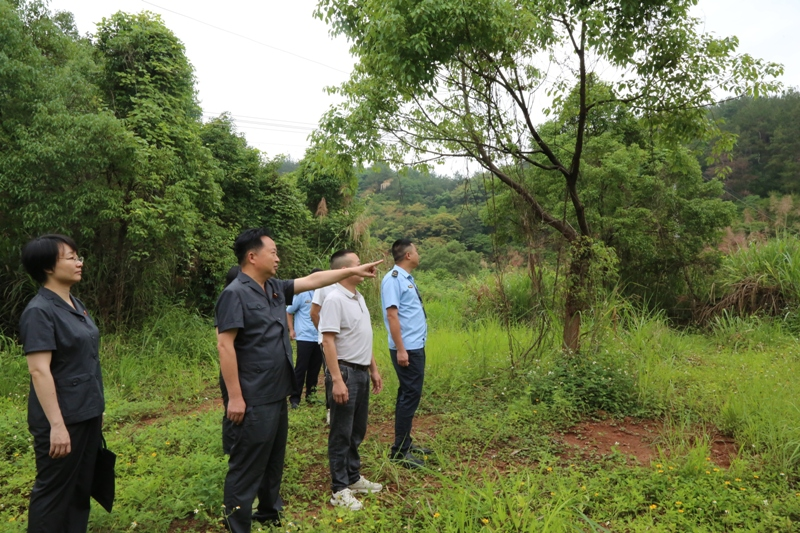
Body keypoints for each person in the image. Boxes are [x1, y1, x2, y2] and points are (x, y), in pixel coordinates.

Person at [214, 228, 381, 532]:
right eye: (273, 252)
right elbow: (225, 345)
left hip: (277, 391)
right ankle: (237, 526)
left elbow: (314, 280)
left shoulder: (274, 288)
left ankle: (268, 513)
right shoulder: (234, 293)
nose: (278, 257)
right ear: (252, 257)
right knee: (247, 464)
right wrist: (235, 397)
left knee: (273, 459)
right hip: (252, 395)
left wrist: (353, 269)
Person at [19, 234, 105, 533]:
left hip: (85, 411)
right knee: (54, 492)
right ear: (48, 267)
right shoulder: (39, 312)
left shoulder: (73, 303)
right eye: (70, 257)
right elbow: (39, 371)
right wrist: (57, 425)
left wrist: (95, 406)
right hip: (62, 417)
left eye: (77, 255)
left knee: (80, 488)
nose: (78, 262)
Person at [319, 250, 383, 511]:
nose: (365, 266)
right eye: (359, 263)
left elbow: (362, 337)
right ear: (346, 270)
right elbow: (327, 341)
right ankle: (339, 488)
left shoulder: (359, 297)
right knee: (341, 432)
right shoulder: (334, 299)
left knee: (357, 430)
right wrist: (337, 380)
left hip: (361, 371)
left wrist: (374, 369)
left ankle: (353, 477)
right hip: (345, 372)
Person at [381, 239, 431, 469]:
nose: (419, 254)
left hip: (413, 345)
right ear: (408, 255)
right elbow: (392, 315)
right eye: (417, 251)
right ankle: (400, 451)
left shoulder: (404, 279)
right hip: (407, 348)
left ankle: (406, 444)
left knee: (408, 395)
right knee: (409, 397)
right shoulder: (393, 279)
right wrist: (401, 349)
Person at [286, 268, 324, 409]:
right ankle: (295, 398)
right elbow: (289, 312)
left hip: (319, 337)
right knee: (301, 368)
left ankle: (311, 396)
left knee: (315, 369)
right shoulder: (302, 294)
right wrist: (291, 329)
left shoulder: (324, 293)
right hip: (304, 337)